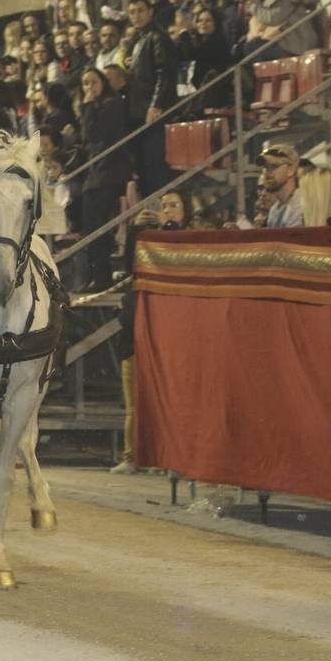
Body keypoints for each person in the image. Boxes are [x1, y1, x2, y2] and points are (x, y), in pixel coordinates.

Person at [114, 189, 191, 474]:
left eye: (174, 205)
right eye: (163, 205)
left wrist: (169, 227)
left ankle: (173, 458)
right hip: (137, 327)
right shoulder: (145, 237)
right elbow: (131, 269)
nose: (167, 210)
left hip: (170, 330)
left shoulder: (186, 236)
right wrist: (136, 230)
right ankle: (131, 455)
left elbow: (180, 255)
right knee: (134, 398)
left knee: (172, 397)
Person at [77, 69, 131, 290]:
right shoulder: (97, 107)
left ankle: (101, 277)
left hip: (109, 172)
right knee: (89, 227)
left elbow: (93, 135)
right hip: (96, 173)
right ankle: (96, 276)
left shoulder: (113, 105)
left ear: (103, 83)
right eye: (85, 83)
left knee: (97, 226)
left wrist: (86, 107)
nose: (89, 87)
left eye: (93, 82)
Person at [124, 0, 178, 198]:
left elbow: (164, 72)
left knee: (153, 164)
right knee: (143, 166)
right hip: (139, 111)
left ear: (150, 12)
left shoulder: (158, 36)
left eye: (140, 10)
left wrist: (156, 105)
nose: (136, 15)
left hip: (152, 111)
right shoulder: (139, 39)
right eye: (132, 12)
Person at [258, 144, 304, 228]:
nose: (267, 173)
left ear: (291, 169)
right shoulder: (275, 209)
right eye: (265, 167)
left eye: (274, 166)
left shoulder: (299, 206)